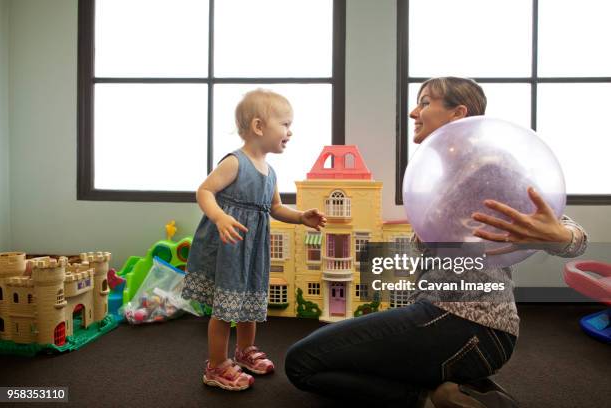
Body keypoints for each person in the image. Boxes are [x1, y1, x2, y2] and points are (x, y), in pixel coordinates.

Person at [284, 77, 587, 408]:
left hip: (468, 325)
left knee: (301, 364)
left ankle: (433, 398)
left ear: (458, 113)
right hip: (453, 322)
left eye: (426, 102)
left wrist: (560, 234)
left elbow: (565, 227)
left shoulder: (488, 164)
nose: (414, 112)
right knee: (337, 356)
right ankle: (463, 386)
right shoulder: (443, 175)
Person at [182, 89, 327, 391]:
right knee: (225, 309)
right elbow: (204, 191)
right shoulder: (235, 162)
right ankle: (216, 365)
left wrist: (301, 217)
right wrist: (220, 217)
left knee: (248, 303)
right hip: (230, 245)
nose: (291, 131)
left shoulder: (270, 172)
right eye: (285, 124)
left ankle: (244, 352)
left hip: (253, 250)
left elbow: (274, 208)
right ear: (259, 127)